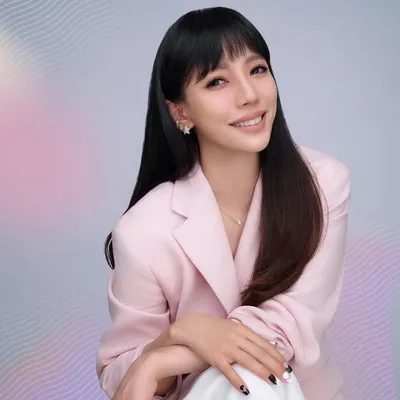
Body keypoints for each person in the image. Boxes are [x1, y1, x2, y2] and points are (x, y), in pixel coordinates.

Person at [96, 6, 351, 400]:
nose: (249, 95)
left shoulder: (323, 183)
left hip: (299, 393)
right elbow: (124, 378)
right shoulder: (143, 230)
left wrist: (170, 353)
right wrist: (179, 335)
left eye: (257, 69)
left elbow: (289, 326)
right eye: (217, 81)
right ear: (180, 111)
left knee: (257, 380)